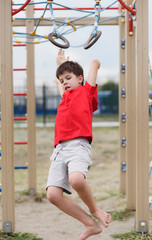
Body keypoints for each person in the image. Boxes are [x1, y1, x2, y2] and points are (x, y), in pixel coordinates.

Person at [46, 49, 111, 240]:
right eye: (61, 80)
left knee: (76, 180)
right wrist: (59, 63)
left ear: (80, 79)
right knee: (53, 195)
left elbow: (94, 64)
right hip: (59, 149)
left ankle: (95, 210)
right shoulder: (65, 97)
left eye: (68, 78)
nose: (64, 82)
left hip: (78, 146)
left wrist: (94, 63)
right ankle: (90, 224)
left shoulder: (86, 93)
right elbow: (61, 84)